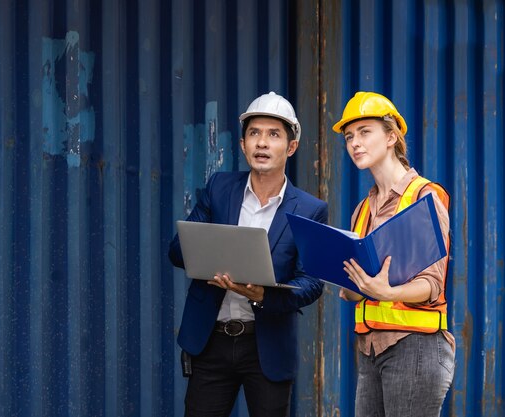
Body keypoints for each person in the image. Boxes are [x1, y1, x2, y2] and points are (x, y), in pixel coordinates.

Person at [169, 91, 328, 417]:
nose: (262, 143)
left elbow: (311, 283)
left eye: (273, 135)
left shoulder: (311, 210)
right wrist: (206, 254)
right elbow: (178, 251)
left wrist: (263, 295)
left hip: (266, 346)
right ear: (243, 145)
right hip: (211, 340)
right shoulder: (219, 187)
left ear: (291, 147)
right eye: (254, 133)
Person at [333, 91, 455, 416]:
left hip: (416, 347)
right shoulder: (362, 210)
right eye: (349, 137)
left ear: (391, 136)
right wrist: (350, 285)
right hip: (371, 350)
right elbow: (359, 286)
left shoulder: (424, 197)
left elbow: (432, 284)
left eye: (364, 132)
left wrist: (388, 292)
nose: (355, 143)